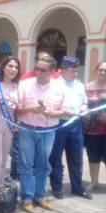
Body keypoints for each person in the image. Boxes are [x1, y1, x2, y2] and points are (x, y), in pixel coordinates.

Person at [17, 55, 66, 213]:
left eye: (42, 70)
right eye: (36, 68)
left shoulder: (60, 87)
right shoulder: (24, 84)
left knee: (43, 165)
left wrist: (52, 113)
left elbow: (64, 110)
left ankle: (40, 195)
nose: (38, 72)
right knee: (26, 164)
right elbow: (17, 109)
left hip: (48, 130)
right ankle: (27, 198)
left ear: (52, 71)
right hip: (27, 129)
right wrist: (30, 109)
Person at [49, 56, 92, 200]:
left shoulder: (79, 85)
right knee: (56, 157)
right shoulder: (53, 84)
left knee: (76, 157)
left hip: (75, 124)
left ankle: (78, 187)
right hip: (59, 123)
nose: (76, 74)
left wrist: (84, 107)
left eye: (76, 71)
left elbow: (84, 101)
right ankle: (57, 187)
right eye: (73, 71)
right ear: (63, 70)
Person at [0, 56, 20, 192]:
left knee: (4, 159)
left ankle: (0, 186)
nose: (13, 69)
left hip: (10, 124)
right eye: (10, 66)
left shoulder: (17, 87)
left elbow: (19, 108)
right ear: (3, 67)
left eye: (16, 67)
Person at [82, 61, 106, 192]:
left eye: (105, 70)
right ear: (96, 70)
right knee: (93, 156)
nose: (103, 72)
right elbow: (81, 103)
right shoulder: (88, 87)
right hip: (91, 129)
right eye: (101, 69)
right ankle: (94, 181)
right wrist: (89, 102)